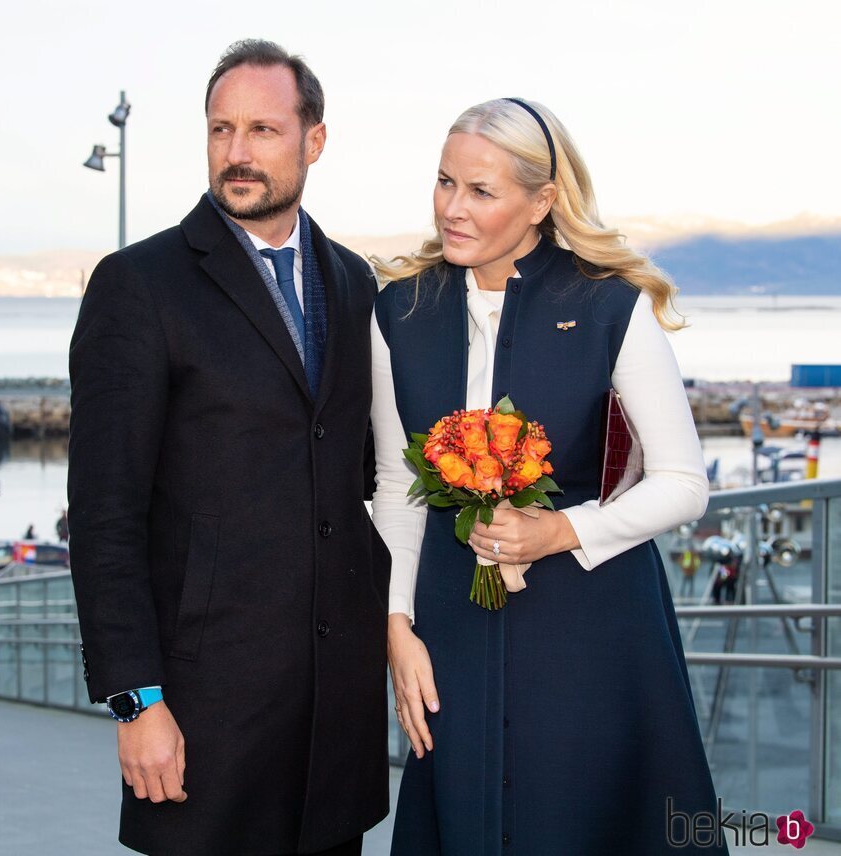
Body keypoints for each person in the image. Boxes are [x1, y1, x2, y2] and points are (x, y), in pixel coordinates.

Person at [371, 99, 727, 854]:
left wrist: (561, 529)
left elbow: (682, 481)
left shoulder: (606, 305)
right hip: (452, 626)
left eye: (481, 191)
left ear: (541, 202)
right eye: (444, 183)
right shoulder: (398, 312)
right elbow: (393, 487)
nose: (452, 209)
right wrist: (396, 628)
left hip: (591, 626)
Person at [68, 39, 390, 856]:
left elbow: (366, 478)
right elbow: (104, 517)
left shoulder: (356, 284)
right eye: (220, 130)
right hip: (205, 716)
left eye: (262, 130)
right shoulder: (139, 285)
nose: (237, 154)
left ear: (314, 140)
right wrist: (136, 703)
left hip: (335, 724)